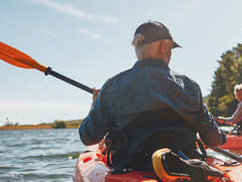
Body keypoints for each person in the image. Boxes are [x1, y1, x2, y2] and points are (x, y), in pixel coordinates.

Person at [79, 21, 227, 173]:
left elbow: (88, 137)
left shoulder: (112, 86)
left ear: (138, 47)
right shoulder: (190, 86)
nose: (170, 54)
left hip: (132, 172)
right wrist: (223, 136)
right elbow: (213, 140)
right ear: (164, 46)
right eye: (170, 48)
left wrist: (94, 105)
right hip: (184, 171)